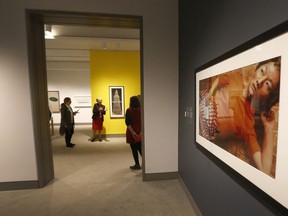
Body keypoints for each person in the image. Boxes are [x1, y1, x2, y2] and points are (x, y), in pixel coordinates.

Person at [199, 57, 281, 176]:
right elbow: (219, 79)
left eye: (268, 84)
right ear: (256, 70)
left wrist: (269, 128)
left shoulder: (248, 122)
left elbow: (264, 171)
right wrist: (208, 96)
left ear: (267, 99)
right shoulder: (234, 78)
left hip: (206, 133)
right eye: (262, 71)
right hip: (203, 106)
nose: (260, 80)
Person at [125, 96, 142, 170]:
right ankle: (147, 163)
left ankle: (137, 164)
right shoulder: (142, 110)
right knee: (141, 149)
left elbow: (127, 123)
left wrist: (133, 133)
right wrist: (141, 133)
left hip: (131, 131)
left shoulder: (129, 110)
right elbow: (144, 122)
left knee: (134, 149)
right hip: (140, 130)